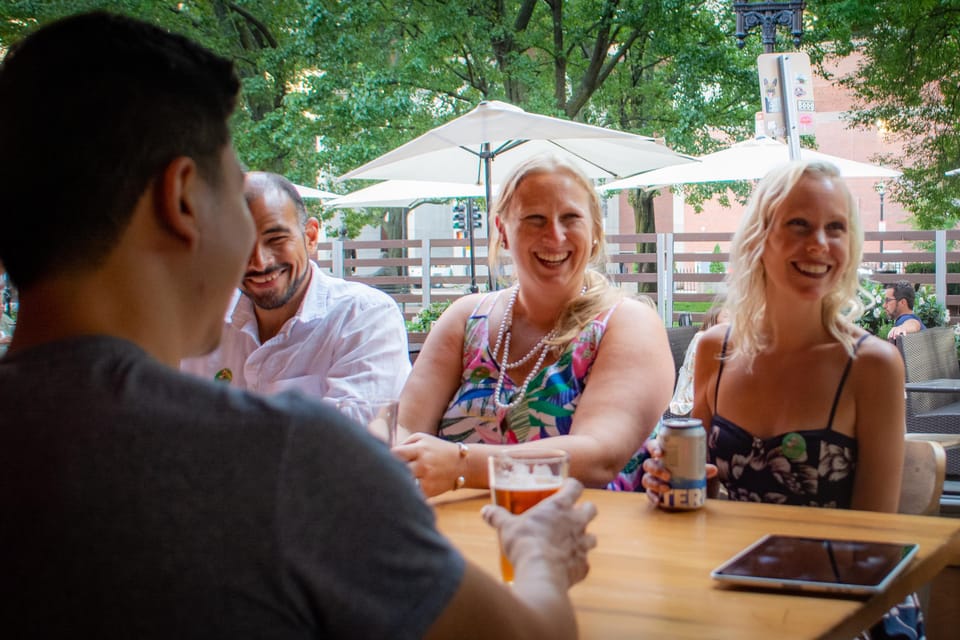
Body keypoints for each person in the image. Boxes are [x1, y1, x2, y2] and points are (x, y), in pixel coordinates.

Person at [0, 12, 599, 638]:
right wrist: (540, 556)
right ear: (180, 201)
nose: (252, 257)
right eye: (234, 194)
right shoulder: (287, 458)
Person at [642, 160, 923, 639]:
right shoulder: (717, 351)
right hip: (733, 588)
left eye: (835, 228)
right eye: (799, 224)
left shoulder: (871, 366)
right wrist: (671, 484)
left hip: (845, 608)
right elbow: (702, 496)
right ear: (759, 240)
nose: (819, 243)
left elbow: (871, 543)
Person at [395, 154, 674, 496]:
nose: (554, 236)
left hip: (586, 538)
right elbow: (405, 428)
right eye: (535, 219)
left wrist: (461, 465)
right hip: (451, 539)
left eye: (571, 218)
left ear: (595, 231)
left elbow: (598, 456)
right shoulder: (465, 319)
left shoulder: (627, 322)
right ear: (503, 231)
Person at [181, 171, 410, 400]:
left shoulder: (363, 316)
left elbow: (354, 432)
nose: (260, 262)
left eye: (276, 239)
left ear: (310, 237)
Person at [668, 300, 728, 416]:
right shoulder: (702, 338)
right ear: (714, 319)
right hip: (694, 396)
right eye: (726, 316)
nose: (731, 320)